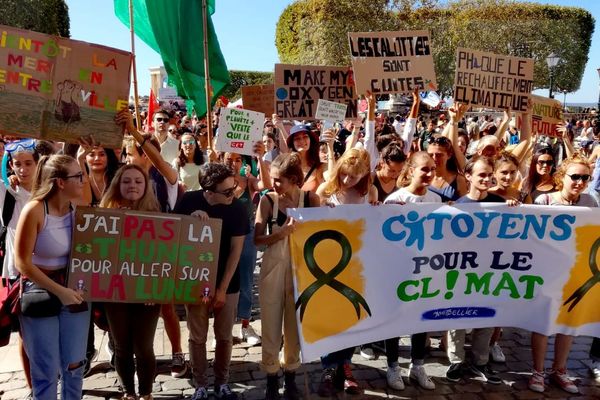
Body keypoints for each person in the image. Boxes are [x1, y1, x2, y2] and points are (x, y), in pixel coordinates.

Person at [117, 110, 186, 379]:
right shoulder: (124, 181)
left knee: (166, 307)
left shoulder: (165, 179)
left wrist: (136, 133)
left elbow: (159, 161)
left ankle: (178, 352)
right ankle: (137, 355)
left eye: (132, 154)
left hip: (161, 252)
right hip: (133, 253)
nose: (128, 159)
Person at [14, 154, 90, 400]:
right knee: (45, 371)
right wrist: (60, 292)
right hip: (40, 293)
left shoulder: (78, 205)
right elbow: (22, 262)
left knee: (74, 366)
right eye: (78, 176)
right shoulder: (34, 210)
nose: (83, 180)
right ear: (60, 182)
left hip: (75, 292)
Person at [174, 163, 249, 400]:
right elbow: (172, 237)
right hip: (195, 280)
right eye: (226, 191)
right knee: (197, 335)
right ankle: (200, 384)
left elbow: (236, 251)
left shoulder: (237, 208)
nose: (232, 194)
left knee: (224, 335)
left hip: (228, 281)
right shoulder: (189, 201)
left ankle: (222, 382)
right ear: (208, 192)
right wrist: (189, 222)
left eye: (233, 187)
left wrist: (222, 289)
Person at [529, 155, 597, 394]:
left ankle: (559, 370)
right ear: (562, 177)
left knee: (568, 324)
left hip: (575, 274)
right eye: (574, 177)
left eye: (584, 177)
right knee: (543, 323)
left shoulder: (590, 202)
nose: (579, 182)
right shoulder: (544, 200)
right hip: (546, 273)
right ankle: (537, 371)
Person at [254, 153, 319, 399]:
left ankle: (290, 374)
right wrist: (281, 233)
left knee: (294, 326)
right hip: (273, 267)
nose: (273, 184)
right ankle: (271, 376)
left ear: (294, 180)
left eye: (279, 180)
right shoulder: (267, 201)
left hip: (301, 270)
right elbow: (257, 240)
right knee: (270, 325)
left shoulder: (311, 200)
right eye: (273, 178)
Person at [316, 148, 375, 397]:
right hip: (328, 261)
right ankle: (329, 367)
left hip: (357, 261)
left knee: (352, 315)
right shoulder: (325, 190)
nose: (349, 181)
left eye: (355, 177)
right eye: (346, 175)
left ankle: (345, 365)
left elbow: (375, 220)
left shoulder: (368, 192)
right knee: (330, 316)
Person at [100, 164, 162, 400]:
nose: (133, 185)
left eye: (138, 181)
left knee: (144, 347)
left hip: (148, 295)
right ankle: (129, 393)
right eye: (127, 181)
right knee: (122, 347)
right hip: (114, 292)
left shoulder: (157, 216)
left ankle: (146, 394)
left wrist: (199, 216)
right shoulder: (103, 216)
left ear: (146, 186)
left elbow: (165, 256)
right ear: (118, 185)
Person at [382, 152, 440, 391]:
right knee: (394, 319)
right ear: (411, 171)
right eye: (424, 169)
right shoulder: (395, 200)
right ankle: (393, 366)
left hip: (426, 269)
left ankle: (417, 366)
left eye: (432, 169)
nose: (429, 174)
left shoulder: (437, 200)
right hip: (398, 270)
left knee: (421, 318)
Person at [446, 156, 505, 385]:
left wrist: (514, 208)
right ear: (468, 176)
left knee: (486, 316)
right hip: (462, 270)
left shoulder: (500, 203)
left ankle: (481, 361)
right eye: (481, 175)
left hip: (490, 270)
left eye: (490, 175)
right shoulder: (458, 205)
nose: (486, 179)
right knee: (456, 316)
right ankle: (456, 360)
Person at [286, 125, 324, 192]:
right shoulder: (287, 168)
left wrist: (330, 146)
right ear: (292, 143)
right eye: (297, 138)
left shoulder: (320, 167)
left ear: (310, 140)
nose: (301, 140)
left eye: (305, 136)